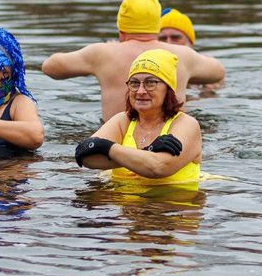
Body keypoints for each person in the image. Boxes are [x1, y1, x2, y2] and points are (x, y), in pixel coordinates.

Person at [41, 0, 225, 122]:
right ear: (156, 27)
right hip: (170, 143)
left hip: (117, 140)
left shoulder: (102, 53)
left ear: (121, 31)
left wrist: (105, 51)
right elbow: (218, 72)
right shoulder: (182, 55)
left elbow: (49, 67)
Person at [73, 49, 202, 188]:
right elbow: (86, 158)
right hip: (125, 203)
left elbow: (159, 167)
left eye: (150, 83)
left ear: (168, 89)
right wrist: (147, 152)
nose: (140, 91)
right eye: (134, 83)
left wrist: (104, 148)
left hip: (170, 204)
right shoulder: (123, 121)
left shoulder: (186, 124)